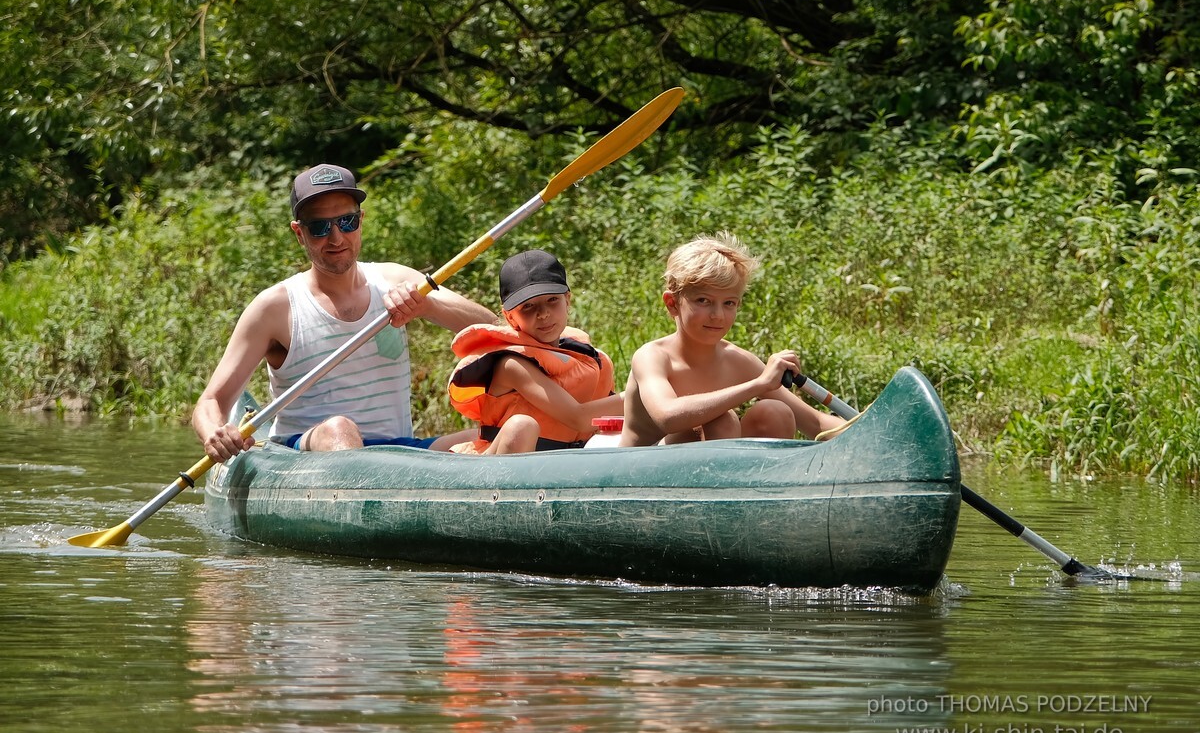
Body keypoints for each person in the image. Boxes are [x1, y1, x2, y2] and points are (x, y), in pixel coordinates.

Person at [193, 163, 496, 461]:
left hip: (399, 451)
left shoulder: (394, 279)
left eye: (347, 222)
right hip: (303, 452)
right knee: (340, 428)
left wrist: (427, 305)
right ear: (299, 234)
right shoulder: (274, 308)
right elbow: (211, 402)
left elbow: (494, 328)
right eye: (319, 227)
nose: (336, 238)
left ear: (361, 220)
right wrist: (214, 433)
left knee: (497, 434)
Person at [619, 232, 843, 447]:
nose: (717, 315)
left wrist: (872, 425)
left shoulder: (737, 361)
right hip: (641, 471)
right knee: (722, 421)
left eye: (729, 303)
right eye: (703, 301)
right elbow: (668, 417)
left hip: (710, 464)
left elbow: (816, 422)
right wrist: (759, 384)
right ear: (672, 303)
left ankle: (755, 486)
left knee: (776, 412)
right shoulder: (652, 356)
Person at [446, 249, 622, 454]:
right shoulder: (511, 365)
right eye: (528, 306)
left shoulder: (589, 358)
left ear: (568, 300)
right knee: (521, 426)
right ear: (510, 317)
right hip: (505, 462)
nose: (543, 314)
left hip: (567, 462)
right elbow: (579, 418)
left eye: (552, 300)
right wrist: (641, 391)